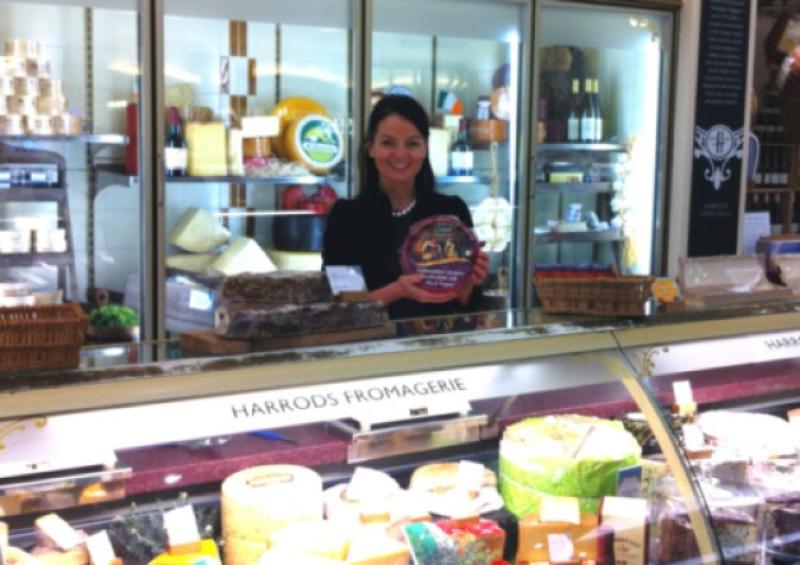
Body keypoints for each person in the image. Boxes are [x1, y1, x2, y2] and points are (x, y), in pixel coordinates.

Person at [323, 94, 489, 319]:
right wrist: (398, 291)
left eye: (412, 143)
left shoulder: (451, 211)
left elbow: (467, 306)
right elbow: (344, 308)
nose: (400, 154)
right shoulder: (346, 219)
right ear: (371, 148)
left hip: (439, 348)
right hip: (374, 350)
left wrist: (468, 281)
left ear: (425, 148)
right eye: (388, 142)